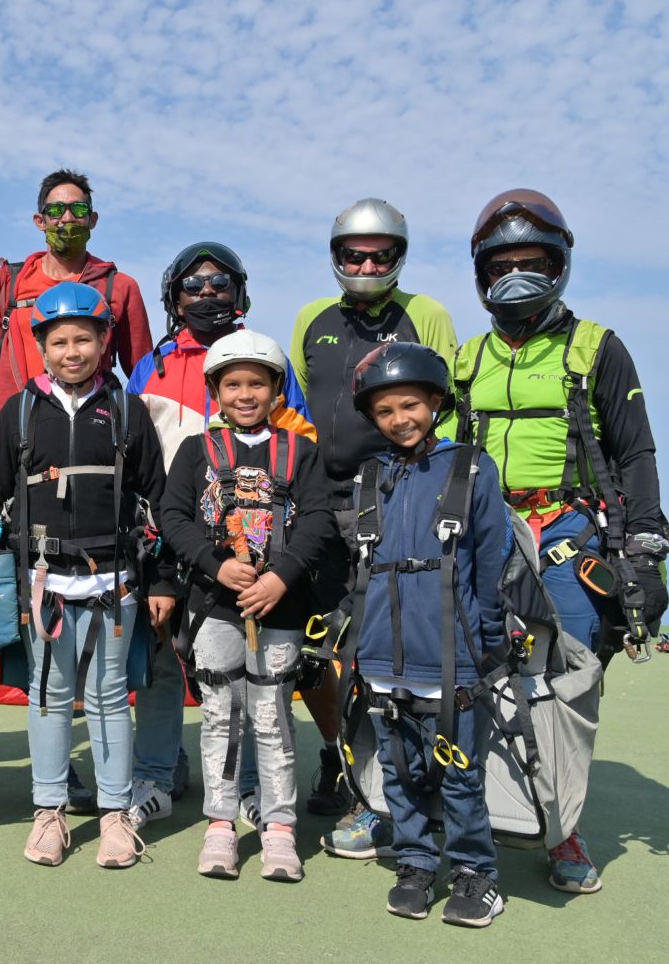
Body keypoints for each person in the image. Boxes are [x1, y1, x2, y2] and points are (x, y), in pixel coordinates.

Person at [446, 189, 669, 894]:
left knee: (569, 680)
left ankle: (562, 829)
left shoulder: (596, 346)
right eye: (504, 264)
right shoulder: (464, 357)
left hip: (568, 529)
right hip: (487, 526)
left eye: (535, 263)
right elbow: (442, 452)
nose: (519, 276)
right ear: (483, 273)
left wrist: (645, 548)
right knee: (473, 672)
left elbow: (634, 453)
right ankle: (471, 817)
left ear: (561, 266)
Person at [0, 168, 153, 820]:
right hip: (8, 470)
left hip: (87, 479)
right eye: (54, 211)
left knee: (80, 638)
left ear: (93, 216)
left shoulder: (121, 287)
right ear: (37, 220)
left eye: (77, 210)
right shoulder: (6, 282)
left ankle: (73, 770)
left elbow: (137, 374)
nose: (65, 220)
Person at [126, 243, 322, 832]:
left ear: (240, 291)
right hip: (171, 537)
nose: (207, 294)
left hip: (252, 553)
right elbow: (135, 452)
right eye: (193, 285)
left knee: (253, 673)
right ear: (173, 297)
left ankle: (253, 789)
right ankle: (158, 776)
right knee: (163, 657)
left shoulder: (265, 360)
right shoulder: (150, 366)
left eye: (219, 283)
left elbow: (294, 444)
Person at [289, 198, 458, 858]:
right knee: (319, 654)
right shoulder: (312, 318)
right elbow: (299, 411)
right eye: (352, 253)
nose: (365, 263)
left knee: (399, 656)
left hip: (396, 504)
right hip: (320, 506)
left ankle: (413, 793)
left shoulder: (429, 314)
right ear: (335, 258)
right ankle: (343, 764)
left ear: (399, 257)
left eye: (379, 253)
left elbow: (446, 405)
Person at [0, 281, 173, 869]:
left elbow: (158, 500)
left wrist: (163, 581)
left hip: (113, 583)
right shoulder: (18, 413)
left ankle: (116, 814)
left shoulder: (126, 410)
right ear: (40, 345)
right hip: (43, 585)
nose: (72, 352)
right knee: (47, 697)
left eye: (84, 340)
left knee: (110, 698)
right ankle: (50, 811)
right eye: (59, 341)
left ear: (103, 342)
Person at [159, 330, 337, 882]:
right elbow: (174, 518)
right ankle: (220, 823)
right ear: (215, 390)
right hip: (214, 605)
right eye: (232, 383)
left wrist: (281, 578)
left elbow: (318, 520)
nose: (244, 393)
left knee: (272, 715)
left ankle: (279, 827)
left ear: (277, 390)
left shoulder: (300, 452)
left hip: (278, 609)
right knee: (219, 715)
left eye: (256, 383)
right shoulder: (197, 451)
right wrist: (216, 567)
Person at [348, 342, 510, 927]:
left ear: (436, 402)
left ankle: (475, 873)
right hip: (381, 659)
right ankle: (415, 860)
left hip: (451, 657)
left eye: (410, 405)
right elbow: (358, 575)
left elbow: (491, 564)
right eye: (386, 411)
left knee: (461, 774)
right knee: (397, 768)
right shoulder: (369, 478)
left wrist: (486, 644)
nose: (400, 419)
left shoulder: (470, 467)